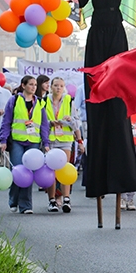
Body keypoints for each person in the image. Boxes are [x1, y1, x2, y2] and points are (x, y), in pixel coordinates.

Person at [75, 0, 136, 223]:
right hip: (96, 31)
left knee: (116, 72)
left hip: (115, 31)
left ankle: (116, 91)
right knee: (95, 74)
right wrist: (65, 6)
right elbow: (78, 4)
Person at [0, 75, 50, 214]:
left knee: (28, 173)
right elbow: (6, 121)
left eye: (35, 85)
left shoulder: (40, 103)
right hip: (17, 141)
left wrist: (46, 142)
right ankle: (13, 200)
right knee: (18, 171)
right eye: (31, 84)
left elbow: (44, 125)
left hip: (33, 142)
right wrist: (3, 140)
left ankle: (26, 205)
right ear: (23, 85)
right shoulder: (14, 100)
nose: (33, 87)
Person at [44, 77, 83, 213]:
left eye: (61, 86)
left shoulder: (69, 100)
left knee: (64, 168)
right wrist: (50, 123)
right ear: (51, 87)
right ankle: (52, 200)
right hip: (50, 139)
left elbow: (76, 123)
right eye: (55, 85)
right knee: (51, 171)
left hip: (65, 139)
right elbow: (41, 121)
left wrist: (69, 121)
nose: (58, 88)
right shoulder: (44, 101)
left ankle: (66, 199)